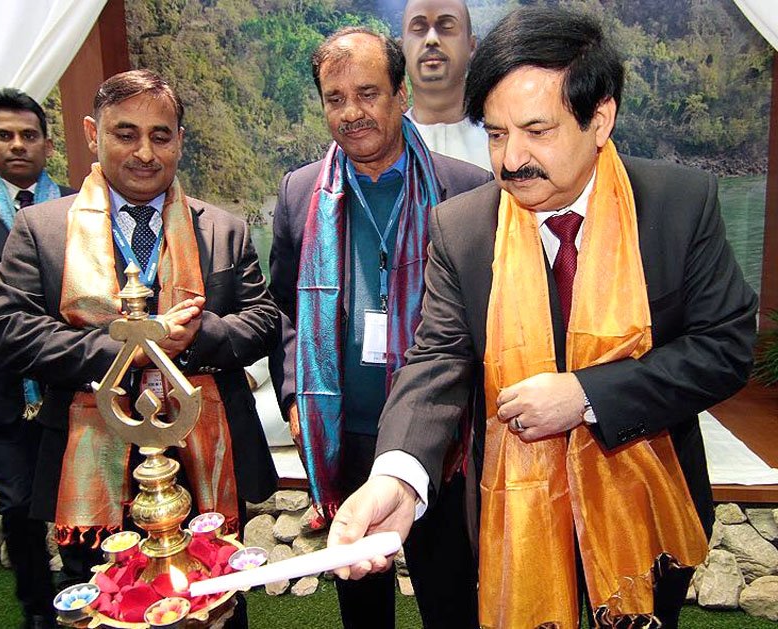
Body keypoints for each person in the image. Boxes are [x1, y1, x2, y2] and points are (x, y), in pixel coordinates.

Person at [327, 8, 758, 629]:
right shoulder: (464, 227)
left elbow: (723, 348)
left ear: (599, 118)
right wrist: (396, 477)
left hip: (645, 503)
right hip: (513, 509)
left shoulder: (677, 205)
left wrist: (587, 395)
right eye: (496, 135)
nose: (511, 162)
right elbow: (436, 363)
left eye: (536, 131)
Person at [0, 71, 280, 622]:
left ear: (180, 140)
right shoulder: (44, 228)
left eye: (161, 136)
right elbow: (10, 330)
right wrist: (130, 350)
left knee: (217, 599)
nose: (145, 152)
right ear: (93, 134)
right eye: (126, 134)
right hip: (92, 462)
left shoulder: (223, 228)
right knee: (106, 603)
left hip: (205, 459)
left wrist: (196, 338)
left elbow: (263, 320)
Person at [268, 27, 491, 629]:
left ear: (401, 94)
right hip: (345, 428)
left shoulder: (465, 189)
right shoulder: (300, 192)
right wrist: (294, 391)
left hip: (438, 437)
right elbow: (285, 306)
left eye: (367, 93)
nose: (351, 113)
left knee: (450, 591)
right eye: (334, 98)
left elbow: (483, 320)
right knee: (360, 593)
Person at [0, 88, 73, 629]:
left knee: (76, 497)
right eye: (4, 135)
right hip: (2, 385)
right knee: (16, 503)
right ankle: (37, 605)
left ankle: (85, 589)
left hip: (71, 385)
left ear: (47, 143)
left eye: (29, 135)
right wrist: (10, 330)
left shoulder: (77, 203)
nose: (17, 145)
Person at [402, 0, 491, 170]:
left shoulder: (501, 142)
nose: (432, 39)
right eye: (419, 29)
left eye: (447, 27)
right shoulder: (385, 144)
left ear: (471, 47)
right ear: (402, 48)